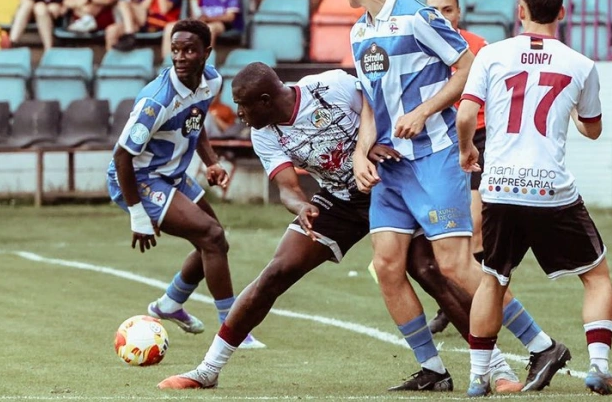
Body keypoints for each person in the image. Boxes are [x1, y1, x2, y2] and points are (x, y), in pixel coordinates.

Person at [156, 63, 539, 391]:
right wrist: (300, 204)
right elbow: (287, 187)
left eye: (242, 106)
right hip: (339, 199)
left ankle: (497, 368)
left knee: (430, 271)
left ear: (266, 101)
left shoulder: (331, 86)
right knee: (276, 272)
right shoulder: (264, 132)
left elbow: (379, 107)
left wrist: (367, 146)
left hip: (388, 184)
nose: (239, 114)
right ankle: (209, 371)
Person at [331, 0, 569, 394]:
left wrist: (423, 112)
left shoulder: (418, 16)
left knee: (456, 265)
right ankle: (434, 369)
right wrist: (361, 152)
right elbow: (369, 104)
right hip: (390, 169)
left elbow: (467, 69)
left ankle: (540, 345)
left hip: (434, 157)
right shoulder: (359, 30)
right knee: (386, 266)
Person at [457, 0, 612, 396]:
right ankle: (599, 366)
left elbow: (465, 115)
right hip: (550, 189)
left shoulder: (491, 55)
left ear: (521, 11)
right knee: (596, 276)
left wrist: (466, 152)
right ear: (562, 12)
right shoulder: (580, 64)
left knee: (493, 278)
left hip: (500, 185)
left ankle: (477, 377)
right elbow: (593, 129)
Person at [107, 19, 264, 351]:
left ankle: (169, 305)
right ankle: (232, 328)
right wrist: (137, 214)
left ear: (206, 53)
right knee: (212, 237)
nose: (179, 57)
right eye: (175, 50)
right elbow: (122, 156)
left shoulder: (211, 81)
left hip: (171, 175)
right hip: (139, 178)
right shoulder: (157, 100)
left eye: (189, 50)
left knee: (214, 242)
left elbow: (196, 122)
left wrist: (211, 162)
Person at [422, 0, 488, 336]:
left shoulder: (479, 47)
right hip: (437, 143)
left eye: (448, 10)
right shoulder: (419, 48)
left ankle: (476, 305)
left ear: (458, 13)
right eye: (434, 11)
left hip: (479, 137)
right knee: (445, 231)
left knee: (474, 226)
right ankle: (452, 303)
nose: (442, 17)